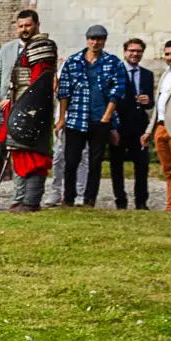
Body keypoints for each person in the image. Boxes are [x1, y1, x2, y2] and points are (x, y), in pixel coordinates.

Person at [55, 24, 125, 207]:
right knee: (71, 161)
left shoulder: (114, 62)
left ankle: (89, 199)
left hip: (100, 118)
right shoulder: (73, 61)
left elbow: (117, 91)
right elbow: (64, 92)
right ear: (87, 40)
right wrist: (62, 118)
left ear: (104, 41)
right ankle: (68, 198)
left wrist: (107, 118)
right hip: (76, 118)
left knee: (95, 162)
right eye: (92, 38)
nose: (95, 42)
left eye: (99, 39)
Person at [0, 19, 57, 214]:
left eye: (27, 25)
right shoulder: (24, 47)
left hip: (31, 109)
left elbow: (39, 82)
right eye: (20, 26)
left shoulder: (41, 45)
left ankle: (30, 201)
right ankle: (18, 199)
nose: (24, 29)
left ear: (37, 25)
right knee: (18, 152)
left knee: (34, 156)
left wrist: (28, 110)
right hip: (19, 105)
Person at [110, 38, 154, 210]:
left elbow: (150, 104)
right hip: (120, 126)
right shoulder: (116, 72)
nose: (135, 54)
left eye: (139, 51)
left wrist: (148, 101)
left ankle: (141, 202)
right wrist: (113, 127)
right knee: (117, 166)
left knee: (142, 166)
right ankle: (120, 201)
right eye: (132, 51)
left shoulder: (147, 74)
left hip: (139, 127)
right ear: (125, 52)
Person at [146, 38, 171, 211]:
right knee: (168, 171)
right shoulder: (165, 74)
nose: (170, 57)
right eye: (167, 54)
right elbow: (159, 104)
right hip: (160, 127)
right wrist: (149, 130)